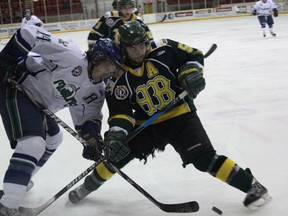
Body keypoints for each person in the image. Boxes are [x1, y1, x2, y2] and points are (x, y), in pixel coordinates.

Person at [69, 21, 271, 211]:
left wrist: (190, 72)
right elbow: (121, 114)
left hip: (180, 116)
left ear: (147, 41)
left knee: (204, 159)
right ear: (123, 48)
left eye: (141, 45)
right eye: (132, 47)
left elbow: (194, 56)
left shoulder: (164, 48)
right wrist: (116, 137)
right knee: (115, 158)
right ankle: (87, 187)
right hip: (145, 125)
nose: (138, 51)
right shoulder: (116, 77)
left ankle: (252, 186)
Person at [0, 25, 123, 215]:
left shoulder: (96, 91)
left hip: (39, 104)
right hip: (16, 85)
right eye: (108, 66)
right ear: (97, 58)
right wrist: (5, 61)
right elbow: (30, 33)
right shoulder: (70, 55)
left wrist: (92, 139)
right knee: (33, 144)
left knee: (54, 139)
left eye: (113, 69)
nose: (110, 72)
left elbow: (88, 118)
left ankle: (19, 181)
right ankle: (7, 206)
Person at [87, 0, 152, 49]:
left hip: (131, 56)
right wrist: (93, 50)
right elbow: (93, 36)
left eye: (130, 7)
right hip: (111, 55)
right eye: (124, 8)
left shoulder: (138, 21)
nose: (127, 11)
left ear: (133, 8)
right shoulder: (110, 18)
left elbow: (149, 39)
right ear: (119, 8)